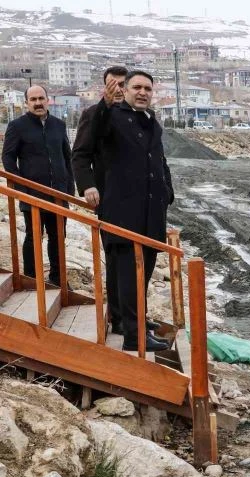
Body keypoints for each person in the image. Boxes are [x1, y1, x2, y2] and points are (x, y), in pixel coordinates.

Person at [93, 70, 174, 352]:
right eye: (137, 87)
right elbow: (95, 132)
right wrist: (104, 104)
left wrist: (167, 192)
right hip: (124, 214)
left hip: (151, 213)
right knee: (129, 276)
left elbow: (159, 160)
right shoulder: (112, 117)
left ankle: (138, 324)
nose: (142, 92)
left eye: (147, 89)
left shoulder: (150, 120)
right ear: (125, 90)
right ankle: (133, 336)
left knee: (144, 274)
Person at [72, 66, 127, 334]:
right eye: (112, 84)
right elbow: (80, 154)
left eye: (122, 84)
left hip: (138, 200)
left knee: (139, 259)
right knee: (116, 259)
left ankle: (137, 314)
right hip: (110, 199)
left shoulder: (138, 115)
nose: (118, 89)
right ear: (104, 87)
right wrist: (87, 185)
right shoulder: (92, 114)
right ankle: (119, 318)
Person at [1, 85, 74, 286]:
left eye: (41, 98)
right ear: (26, 103)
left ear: (47, 100)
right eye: (33, 100)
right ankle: (31, 279)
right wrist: (20, 189)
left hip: (58, 194)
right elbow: (8, 158)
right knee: (33, 237)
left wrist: (69, 189)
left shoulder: (59, 125)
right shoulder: (17, 126)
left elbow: (67, 158)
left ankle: (58, 278)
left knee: (58, 237)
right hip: (31, 194)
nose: (38, 103)